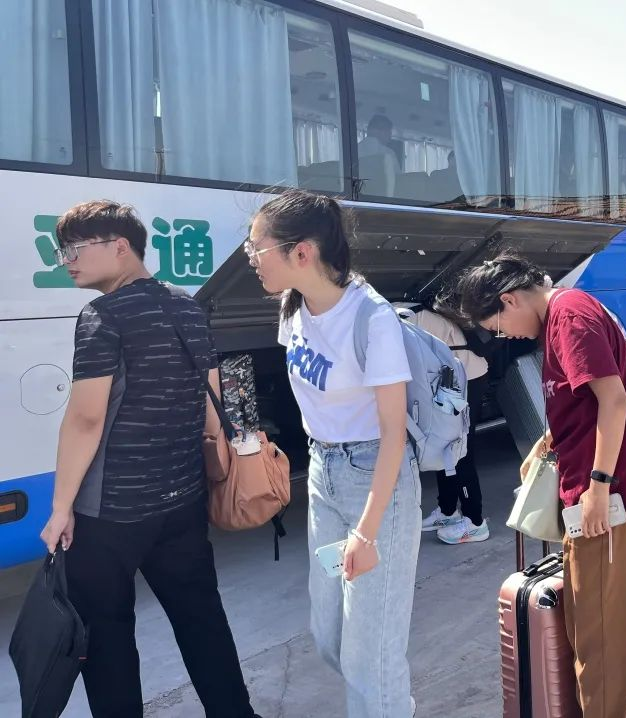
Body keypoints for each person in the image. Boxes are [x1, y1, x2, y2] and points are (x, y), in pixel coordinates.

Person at [39, 200, 258, 717]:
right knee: (202, 618)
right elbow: (211, 404)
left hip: (110, 513)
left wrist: (60, 508)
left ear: (120, 247)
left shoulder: (103, 315)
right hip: (181, 502)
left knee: (107, 636)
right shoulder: (188, 307)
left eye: (74, 249)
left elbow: (86, 419)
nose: (66, 261)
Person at [454, 254, 626, 717]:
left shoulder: (569, 317)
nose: (506, 335)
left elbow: (614, 400)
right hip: (620, 485)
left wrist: (599, 486)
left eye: (497, 326)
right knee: (614, 626)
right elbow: (590, 400)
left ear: (509, 300)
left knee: (598, 638)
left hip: (617, 492)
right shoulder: (567, 312)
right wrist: (552, 439)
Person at [248, 190, 420, 717]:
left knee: (371, 656)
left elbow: (394, 434)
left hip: (376, 480)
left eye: (257, 247)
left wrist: (366, 533)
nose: (251, 258)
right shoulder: (293, 306)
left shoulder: (371, 318)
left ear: (301, 252)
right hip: (324, 475)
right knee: (330, 635)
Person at [414, 306, 491, 543]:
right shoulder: (406, 311)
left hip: (466, 377)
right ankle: (447, 512)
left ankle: (475, 522)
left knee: (459, 446)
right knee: (441, 442)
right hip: (450, 377)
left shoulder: (399, 316)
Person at [357, 114, 401, 197]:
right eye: (388, 131)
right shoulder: (388, 153)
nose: (390, 136)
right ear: (377, 131)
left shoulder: (354, 150)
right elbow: (399, 181)